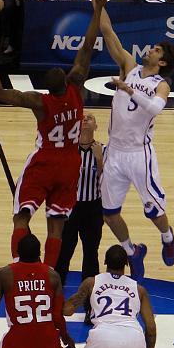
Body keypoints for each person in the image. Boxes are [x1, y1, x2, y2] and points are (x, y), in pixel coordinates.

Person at [0, 0, 113, 269]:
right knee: (56, 225)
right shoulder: (77, 89)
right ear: (65, 83)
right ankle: (49, 273)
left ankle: (21, 265)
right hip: (70, 163)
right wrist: (97, 10)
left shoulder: (40, 102)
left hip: (46, 160)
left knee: (22, 217)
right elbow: (88, 46)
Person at [80, 0, 174, 280]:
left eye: (156, 50)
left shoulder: (162, 84)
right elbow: (108, 33)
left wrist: (127, 88)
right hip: (115, 151)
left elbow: (156, 108)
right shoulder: (129, 66)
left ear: (161, 62)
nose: (150, 49)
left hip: (139, 154)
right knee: (109, 213)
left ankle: (167, 237)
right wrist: (97, 0)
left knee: (153, 211)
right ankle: (133, 251)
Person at [54, 114, 105, 302]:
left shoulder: (104, 150)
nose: (85, 120)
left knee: (91, 255)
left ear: (96, 125)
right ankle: (55, 298)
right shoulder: (67, 150)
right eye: (82, 118)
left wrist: (99, 161)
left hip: (93, 209)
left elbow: (109, 184)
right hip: (70, 208)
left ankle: (90, 303)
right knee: (63, 253)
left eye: (90, 118)